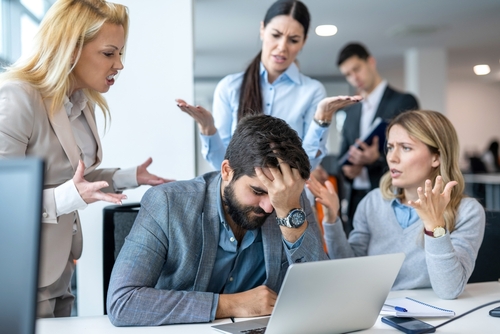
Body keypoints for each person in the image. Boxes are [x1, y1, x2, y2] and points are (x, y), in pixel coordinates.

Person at [0, 0, 171, 317]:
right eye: (109, 53)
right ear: (70, 49)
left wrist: (129, 176)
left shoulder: (80, 102)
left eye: (120, 53)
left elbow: (73, 176)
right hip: (15, 274)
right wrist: (68, 197)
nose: (119, 64)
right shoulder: (16, 98)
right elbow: (5, 201)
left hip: (59, 269)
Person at [107, 114, 329, 326]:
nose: (269, 206)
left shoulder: (288, 200)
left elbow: (323, 292)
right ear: (227, 171)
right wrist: (229, 305)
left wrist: (289, 214)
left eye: (276, 196)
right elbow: (122, 302)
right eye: (257, 191)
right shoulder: (168, 203)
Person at [307, 110, 485, 300]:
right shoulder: (372, 202)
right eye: (390, 147)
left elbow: (449, 290)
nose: (392, 157)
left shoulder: (468, 212)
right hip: (375, 312)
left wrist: (435, 226)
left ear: (436, 157)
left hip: (437, 317)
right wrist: (332, 219)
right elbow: (349, 271)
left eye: (406, 148)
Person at [176, 0, 359, 171]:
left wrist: (322, 118)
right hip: (242, 203)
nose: (282, 47)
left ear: (303, 42)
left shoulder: (312, 91)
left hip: (290, 201)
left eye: (293, 40)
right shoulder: (230, 87)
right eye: (276, 35)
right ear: (262, 29)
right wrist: (208, 128)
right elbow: (222, 165)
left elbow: (306, 166)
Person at [336, 42, 419, 233]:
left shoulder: (404, 101)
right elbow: (342, 156)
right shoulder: (351, 112)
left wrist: (377, 159)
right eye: (348, 74)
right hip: (357, 198)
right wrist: (348, 170)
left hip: (391, 195)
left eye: (356, 69)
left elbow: (413, 150)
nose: (354, 78)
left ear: (371, 62)